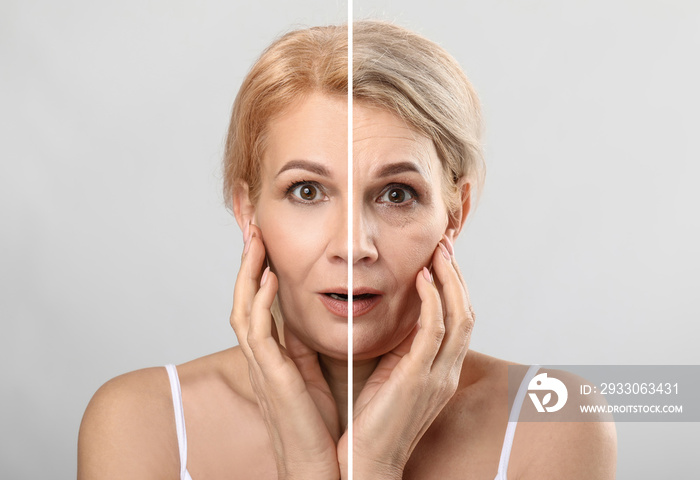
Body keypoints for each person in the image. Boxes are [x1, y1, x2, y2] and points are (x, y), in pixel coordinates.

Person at [78, 20, 616, 479]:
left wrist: (375, 465)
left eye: (396, 194)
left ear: (455, 213)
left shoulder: (556, 419)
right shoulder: (139, 422)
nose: (353, 246)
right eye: (307, 191)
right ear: (247, 212)